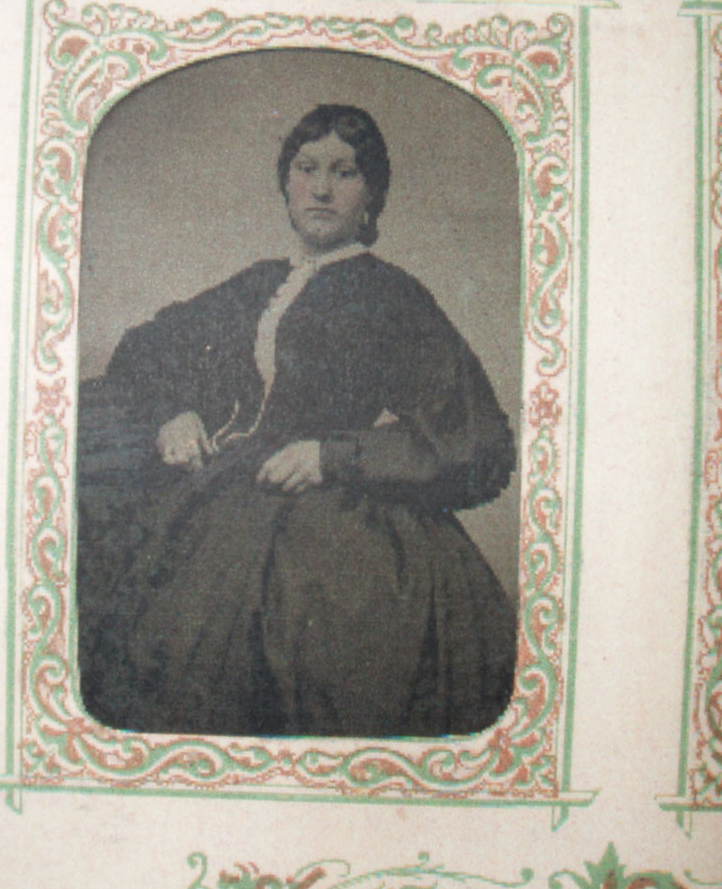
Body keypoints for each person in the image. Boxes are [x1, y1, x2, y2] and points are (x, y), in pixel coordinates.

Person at [76, 104, 517, 738]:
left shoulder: (391, 295)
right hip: (219, 493)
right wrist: (176, 413)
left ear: (372, 195)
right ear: (286, 184)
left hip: (329, 522)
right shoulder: (260, 283)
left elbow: (477, 438)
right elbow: (148, 348)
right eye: (307, 169)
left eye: (344, 172)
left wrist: (332, 456)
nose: (321, 188)